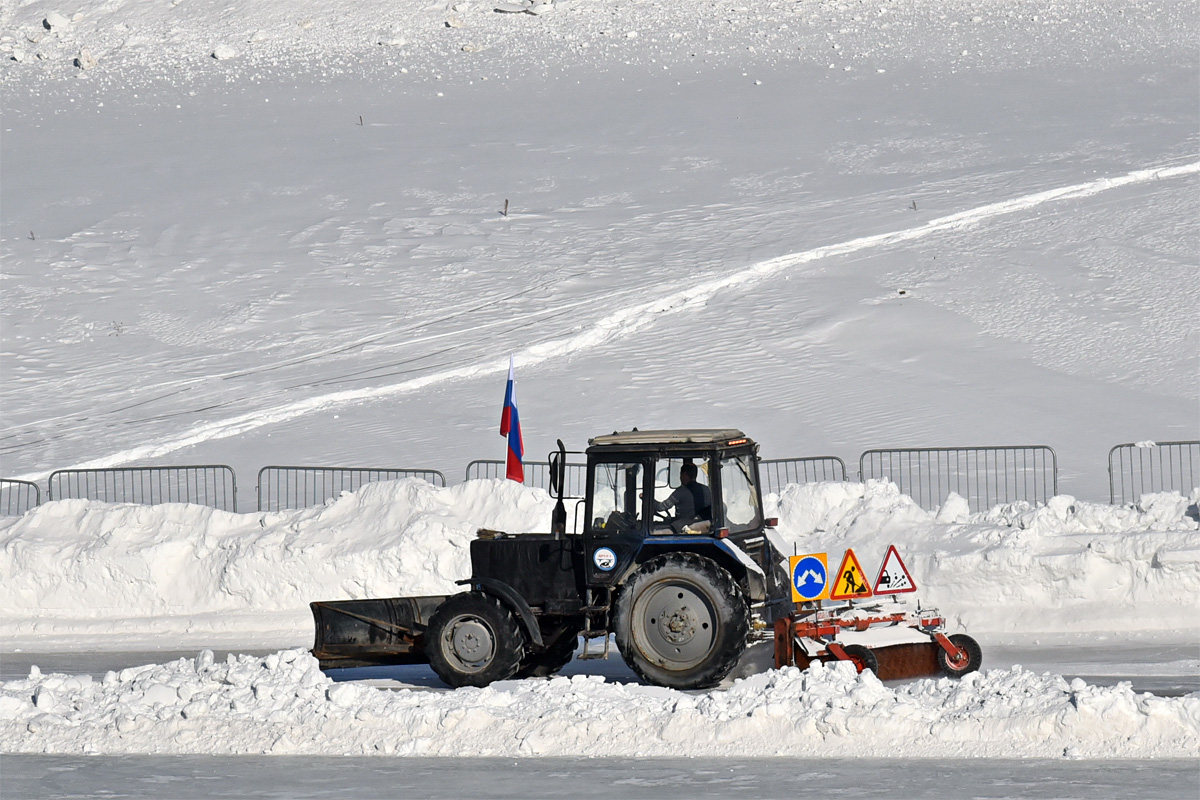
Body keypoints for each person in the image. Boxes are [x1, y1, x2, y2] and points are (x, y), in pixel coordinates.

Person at [655, 461, 712, 532]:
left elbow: (661, 507)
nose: (680, 477)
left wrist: (649, 501)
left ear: (685, 475)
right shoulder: (707, 490)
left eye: (680, 475)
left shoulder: (680, 492)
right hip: (702, 527)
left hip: (683, 528)